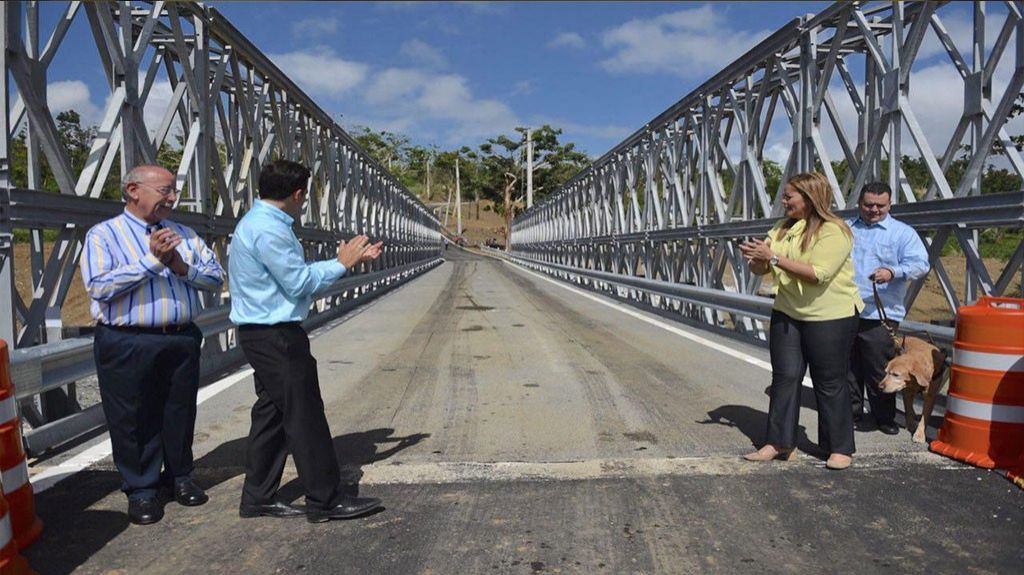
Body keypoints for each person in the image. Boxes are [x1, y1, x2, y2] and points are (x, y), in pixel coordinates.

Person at [229, 159, 384, 522]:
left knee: (271, 416)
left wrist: (342, 261)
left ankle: (257, 497)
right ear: (298, 194)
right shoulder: (269, 229)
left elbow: (293, 275)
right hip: (276, 336)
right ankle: (325, 500)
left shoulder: (258, 222)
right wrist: (342, 263)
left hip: (262, 333)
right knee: (305, 416)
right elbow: (298, 283)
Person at [81, 165, 224, 525]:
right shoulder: (104, 235)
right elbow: (99, 286)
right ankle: (141, 488)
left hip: (179, 336)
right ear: (133, 190)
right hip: (128, 339)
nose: (172, 199)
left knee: (179, 411)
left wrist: (180, 266)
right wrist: (151, 262)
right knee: (132, 416)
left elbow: (215, 277)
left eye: (174, 191)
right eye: (165, 191)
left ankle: (180, 476)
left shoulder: (185, 235)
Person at [739, 172, 864, 470]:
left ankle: (839, 447)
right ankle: (779, 442)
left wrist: (773, 258)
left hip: (830, 315)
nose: (783, 201)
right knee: (785, 377)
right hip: (788, 312)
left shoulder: (835, 231)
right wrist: (757, 259)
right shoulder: (782, 228)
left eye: (788, 197)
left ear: (809, 198)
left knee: (829, 381)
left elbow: (818, 274)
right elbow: (761, 269)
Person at [847, 182, 930, 434]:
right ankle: (851, 413)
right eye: (868, 205)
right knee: (848, 367)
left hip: (880, 313)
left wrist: (893, 272)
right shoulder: (846, 229)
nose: (874, 210)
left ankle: (884, 417)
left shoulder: (902, 233)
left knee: (879, 367)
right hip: (845, 309)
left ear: (890, 204)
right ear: (859, 203)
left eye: (880, 205)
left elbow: (921, 264)